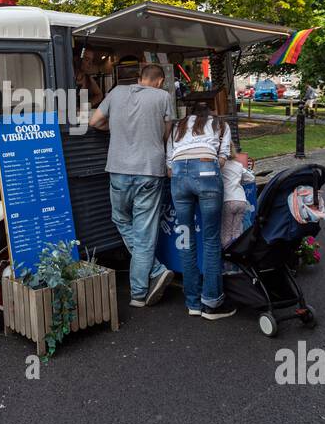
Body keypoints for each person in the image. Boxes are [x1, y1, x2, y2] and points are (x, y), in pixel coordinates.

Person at [89, 63, 174, 307]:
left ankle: (152, 276)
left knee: (120, 219)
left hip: (118, 169)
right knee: (144, 230)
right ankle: (142, 288)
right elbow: (166, 134)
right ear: (159, 81)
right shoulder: (163, 96)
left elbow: (95, 122)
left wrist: (115, 129)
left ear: (139, 78)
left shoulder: (115, 92)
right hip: (149, 170)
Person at [167, 102, 237, 320]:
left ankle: (192, 303)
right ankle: (212, 303)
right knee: (211, 239)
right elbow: (224, 157)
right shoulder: (220, 124)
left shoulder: (177, 127)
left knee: (186, 239)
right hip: (207, 171)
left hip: (179, 175)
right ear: (211, 112)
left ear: (189, 112)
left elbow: (169, 164)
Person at [220, 152, 257, 246]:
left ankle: (226, 255)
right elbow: (251, 178)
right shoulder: (238, 165)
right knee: (237, 231)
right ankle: (237, 252)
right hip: (241, 200)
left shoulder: (220, 165)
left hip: (227, 200)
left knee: (226, 233)